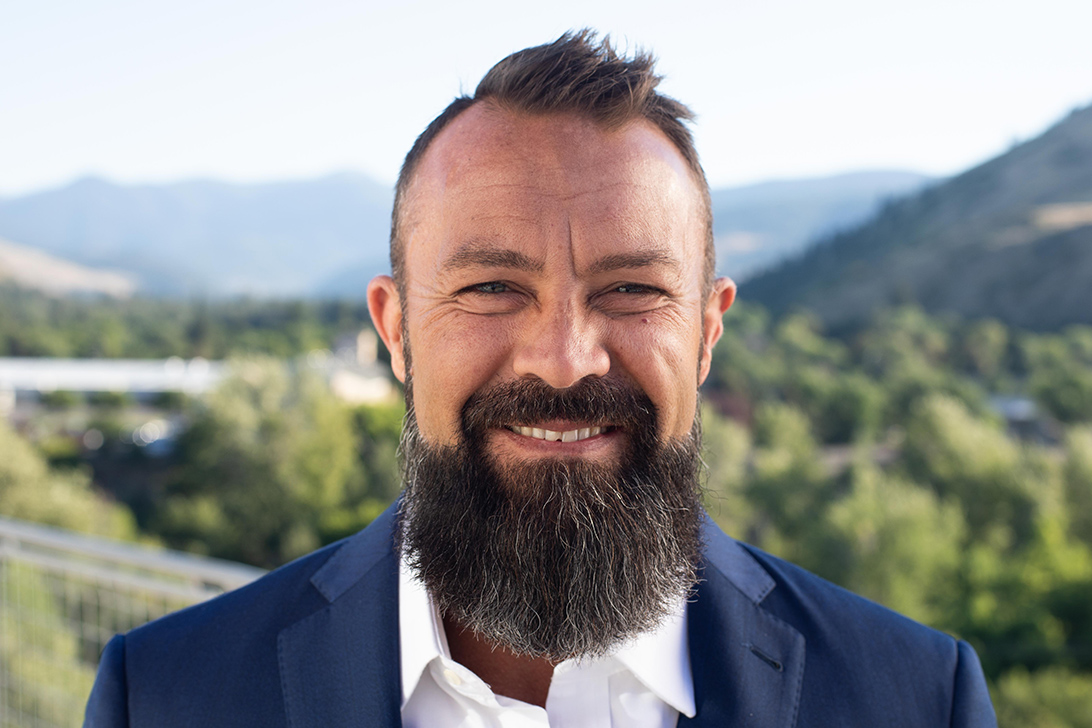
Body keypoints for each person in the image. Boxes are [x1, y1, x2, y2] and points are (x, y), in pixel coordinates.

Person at [84, 30, 998, 727]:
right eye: (490, 287)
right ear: (396, 329)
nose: (564, 359)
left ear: (709, 329)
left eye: (633, 288)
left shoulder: (917, 698)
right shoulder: (166, 696)